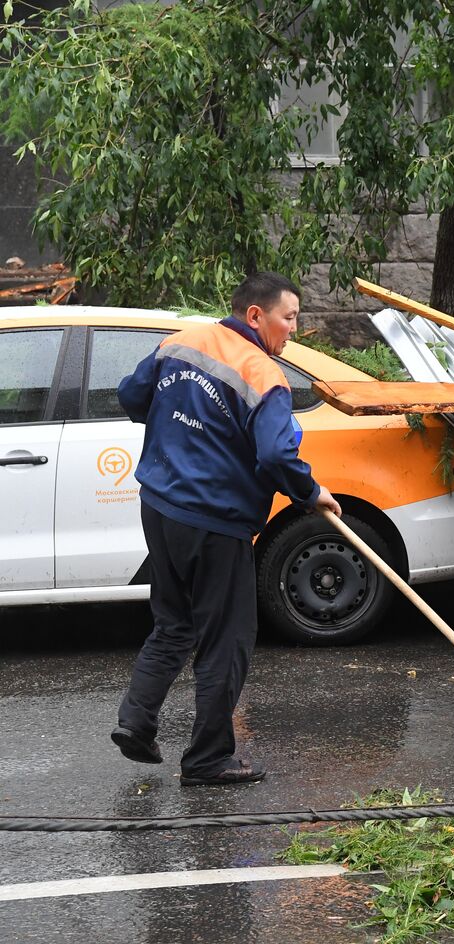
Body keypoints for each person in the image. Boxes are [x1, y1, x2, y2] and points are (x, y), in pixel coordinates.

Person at [109, 272, 341, 786]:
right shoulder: (262, 373)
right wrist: (310, 492)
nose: (293, 330)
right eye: (290, 317)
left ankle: (135, 720)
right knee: (227, 638)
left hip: (161, 505)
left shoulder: (181, 342)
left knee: (174, 623)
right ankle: (209, 759)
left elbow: (131, 397)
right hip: (215, 520)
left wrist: (182, 424)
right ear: (255, 315)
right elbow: (278, 453)